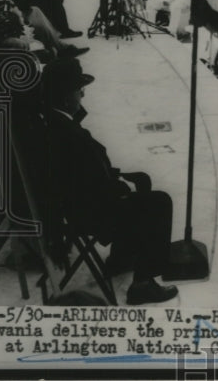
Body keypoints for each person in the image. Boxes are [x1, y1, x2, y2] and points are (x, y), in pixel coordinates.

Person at [41, 58, 179, 305]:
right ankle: (142, 285)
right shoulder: (71, 135)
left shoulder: (55, 123)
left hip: (76, 206)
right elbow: (95, 182)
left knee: (141, 186)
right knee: (159, 202)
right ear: (64, 97)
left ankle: (121, 258)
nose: (82, 95)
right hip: (90, 213)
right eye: (78, 90)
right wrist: (121, 187)